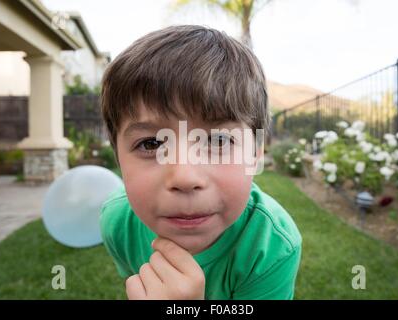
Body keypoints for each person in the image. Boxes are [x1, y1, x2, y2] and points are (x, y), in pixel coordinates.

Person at [99, 25, 302, 300]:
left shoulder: (273, 246)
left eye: (218, 141)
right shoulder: (116, 223)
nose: (185, 177)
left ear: (255, 154)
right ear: (118, 158)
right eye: (151, 144)